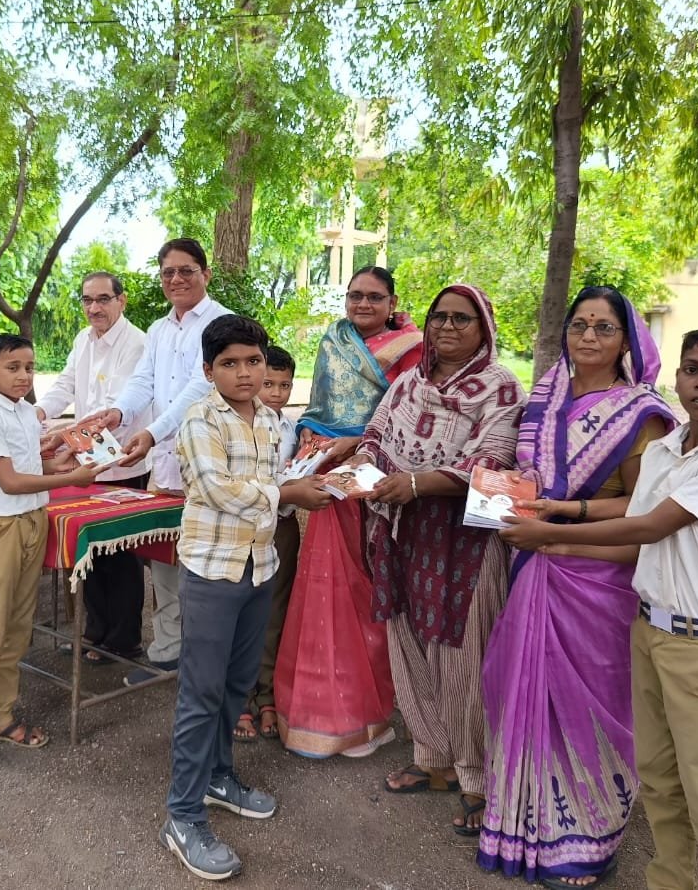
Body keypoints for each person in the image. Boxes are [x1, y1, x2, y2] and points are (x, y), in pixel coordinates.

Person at [499, 325, 698, 890]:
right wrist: (561, 509)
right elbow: (631, 512)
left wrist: (548, 540)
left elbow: (650, 526)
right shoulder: (672, 446)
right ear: (675, 375)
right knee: (659, 782)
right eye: (691, 369)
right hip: (650, 630)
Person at [477, 287, 675, 885]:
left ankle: (586, 833)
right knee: (521, 685)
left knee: (592, 696)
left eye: (604, 328)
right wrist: (514, 502)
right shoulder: (546, 397)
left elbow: (642, 507)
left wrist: (560, 517)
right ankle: (519, 817)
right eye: (580, 324)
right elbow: (527, 475)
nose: (588, 336)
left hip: (599, 571)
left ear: (627, 344)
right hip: (533, 558)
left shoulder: (640, 412)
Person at [160, 315, 330, 881]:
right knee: (200, 695)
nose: (244, 372)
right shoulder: (199, 420)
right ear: (209, 371)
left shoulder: (272, 421)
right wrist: (289, 490)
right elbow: (218, 490)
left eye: (253, 361)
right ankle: (182, 815)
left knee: (236, 686)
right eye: (229, 363)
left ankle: (217, 777)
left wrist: (317, 478)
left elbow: (273, 494)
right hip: (212, 573)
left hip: (258, 569)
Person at [355, 285, 523, 838]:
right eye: (439, 317)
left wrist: (416, 482)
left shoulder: (499, 387)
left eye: (462, 318)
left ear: (484, 328)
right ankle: (434, 758)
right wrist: (361, 468)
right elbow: (376, 435)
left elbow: (492, 457)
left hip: (462, 536)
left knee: (461, 656)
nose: (447, 327)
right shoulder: (410, 381)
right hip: (400, 528)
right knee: (406, 642)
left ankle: (477, 779)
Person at [273, 265, 422, 758]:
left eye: (373, 297)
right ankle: (320, 711)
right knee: (325, 587)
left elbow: (408, 416)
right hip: (329, 477)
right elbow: (318, 406)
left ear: (392, 301)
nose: (362, 305)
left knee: (370, 586)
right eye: (355, 295)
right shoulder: (331, 341)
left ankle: (369, 710)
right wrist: (313, 439)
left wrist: (358, 443)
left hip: (378, 476)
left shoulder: (411, 347)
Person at [86, 238, 231, 687]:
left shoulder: (221, 322)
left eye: (186, 270)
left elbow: (197, 389)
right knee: (166, 562)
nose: (176, 280)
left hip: (206, 462)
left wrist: (151, 432)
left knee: (204, 566)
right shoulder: (160, 328)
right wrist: (120, 413)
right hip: (166, 467)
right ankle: (168, 651)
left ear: (206, 274)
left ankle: (207, 662)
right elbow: (143, 381)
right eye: (168, 272)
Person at [0, 334, 99, 775]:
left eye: (29, 367)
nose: (23, 376)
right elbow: (11, 482)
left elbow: (32, 468)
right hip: (2, 527)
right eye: (12, 367)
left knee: (18, 626)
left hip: (34, 521)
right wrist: (70, 476)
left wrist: (67, 460)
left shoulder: (22, 413)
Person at [36, 272, 152, 662]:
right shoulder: (82, 341)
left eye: (103, 299)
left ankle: (125, 640)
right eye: (88, 300)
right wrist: (35, 413)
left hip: (123, 462)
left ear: (122, 300)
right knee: (91, 553)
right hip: (86, 462)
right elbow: (64, 386)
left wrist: (67, 433)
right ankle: (95, 632)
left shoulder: (137, 343)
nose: (94, 308)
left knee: (120, 555)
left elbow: (116, 403)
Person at [234, 345, 323, 742]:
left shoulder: (292, 429)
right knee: (234, 614)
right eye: (267, 383)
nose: (275, 393)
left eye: (284, 385)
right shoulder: (228, 424)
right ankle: (236, 699)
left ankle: (267, 694)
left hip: (280, 528)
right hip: (237, 529)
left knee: (274, 612)